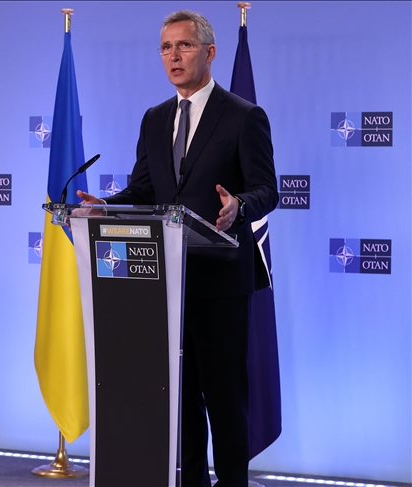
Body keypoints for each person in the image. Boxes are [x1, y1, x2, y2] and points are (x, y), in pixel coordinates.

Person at [77, 10, 278, 487]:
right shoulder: (154, 118)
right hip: (165, 283)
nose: (174, 56)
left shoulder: (244, 115)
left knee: (224, 399)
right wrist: (106, 207)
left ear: (210, 52)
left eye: (184, 45)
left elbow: (267, 190)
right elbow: (145, 188)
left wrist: (239, 207)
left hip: (221, 281)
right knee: (180, 400)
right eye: (166, 47)